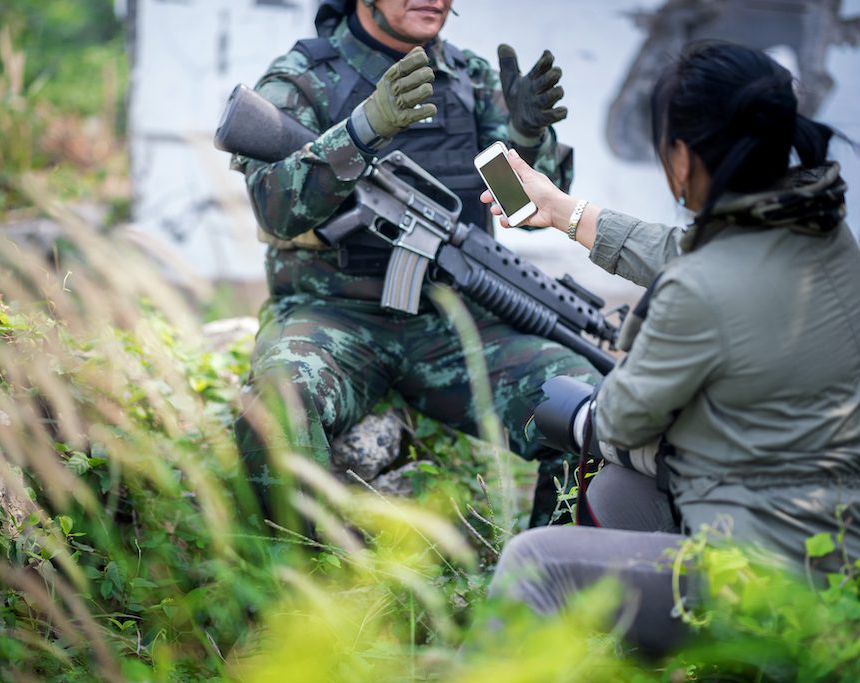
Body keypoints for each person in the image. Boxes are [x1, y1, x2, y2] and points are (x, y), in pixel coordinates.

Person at [483, 40, 860, 654]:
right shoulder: (824, 233)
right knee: (617, 490)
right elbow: (688, 249)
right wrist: (562, 210)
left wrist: (579, 413)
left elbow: (620, 420)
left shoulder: (695, 291)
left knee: (539, 562)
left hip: (781, 591)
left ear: (682, 158)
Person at [231, 0, 600, 527]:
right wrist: (361, 130)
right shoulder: (304, 79)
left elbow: (521, 208)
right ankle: (296, 590)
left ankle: (545, 590)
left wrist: (526, 138)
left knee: (589, 415)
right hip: (334, 315)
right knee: (281, 404)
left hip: (453, 323)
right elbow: (274, 208)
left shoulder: (471, 81)